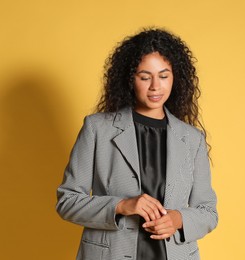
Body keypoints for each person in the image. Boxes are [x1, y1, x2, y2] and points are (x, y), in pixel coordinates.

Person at [56, 28, 218, 260]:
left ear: (175, 78)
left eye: (163, 76)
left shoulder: (192, 139)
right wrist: (121, 205)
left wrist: (178, 219)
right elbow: (67, 201)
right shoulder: (97, 129)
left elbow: (208, 212)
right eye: (145, 76)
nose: (155, 86)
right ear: (130, 78)